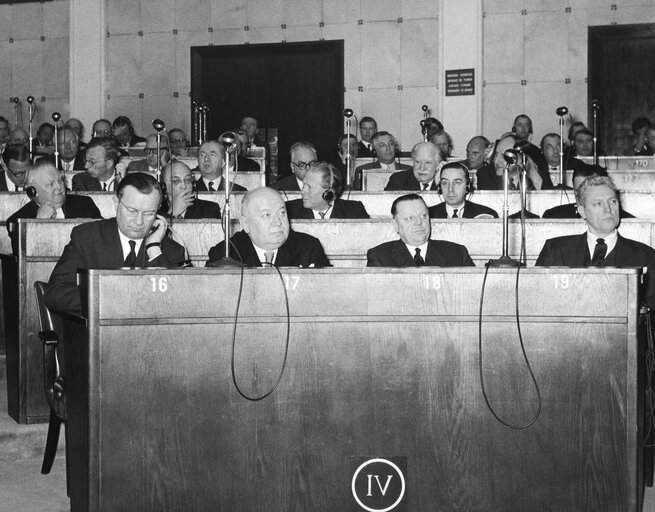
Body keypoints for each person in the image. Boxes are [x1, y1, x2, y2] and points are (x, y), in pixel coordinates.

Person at [44, 173, 185, 316]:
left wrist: (154, 249)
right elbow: (56, 294)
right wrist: (113, 300)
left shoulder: (170, 250)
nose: (139, 221)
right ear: (116, 204)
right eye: (132, 211)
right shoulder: (87, 237)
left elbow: (181, 302)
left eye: (149, 213)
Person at [536, 175, 655, 306]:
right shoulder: (555, 251)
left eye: (612, 201)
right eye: (598, 203)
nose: (608, 209)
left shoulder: (646, 257)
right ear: (582, 211)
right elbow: (539, 303)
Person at [206, 187, 330, 267]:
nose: (278, 222)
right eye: (266, 215)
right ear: (246, 224)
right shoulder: (224, 253)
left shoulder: (309, 248)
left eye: (281, 213)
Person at [6, 159, 102, 254]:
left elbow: (103, 237)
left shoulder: (85, 204)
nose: (59, 187)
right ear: (33, 191)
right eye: (51, 184)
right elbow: (21, 258)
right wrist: (37, 224)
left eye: (60, 180)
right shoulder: (18, 221)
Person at [367, 193, 474, 267]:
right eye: (410, 218)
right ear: (395, 225)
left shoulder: (457, 253)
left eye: (423, 216)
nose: (418, 222)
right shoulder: (379, 257)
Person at [541, 164, 634, 219]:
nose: (583, 197)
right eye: (578, 191)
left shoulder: (626, 221)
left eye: (589, 192)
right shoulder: (554, 216)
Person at [285, 161, 369, 219]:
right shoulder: (289, 211)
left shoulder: (354, 212)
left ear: (329, 192)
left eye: (310, 187)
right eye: (304, 185)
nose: (303, 191)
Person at [476, 135, 550, 191]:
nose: (496, 161)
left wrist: (533, 174)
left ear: (519, 159)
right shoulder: (485, 174)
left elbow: (550, 202)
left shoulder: (536, 172)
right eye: (496, 154)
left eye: (504, 156)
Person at [429, 161, 498, 218]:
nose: (450, 189)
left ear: (467, 185)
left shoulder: (486, 215)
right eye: (445, 183)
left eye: (457, 183)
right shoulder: (429, 214)